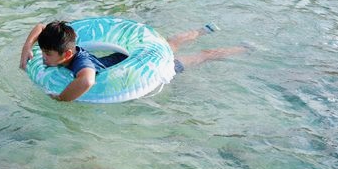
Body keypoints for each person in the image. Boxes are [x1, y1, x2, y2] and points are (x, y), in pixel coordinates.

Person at [19, 20, 247, 102]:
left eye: (47, 55)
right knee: (168, 43)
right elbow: (40, 27)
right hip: (123, 57)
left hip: (143, 69)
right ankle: (201, 30)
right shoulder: (61, 46)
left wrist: (61, 98)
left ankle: (241, 48)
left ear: (66, 55)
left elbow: (87, 82)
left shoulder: (81, 64)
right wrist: (27, 48)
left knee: (197, 57)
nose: (43, 58)